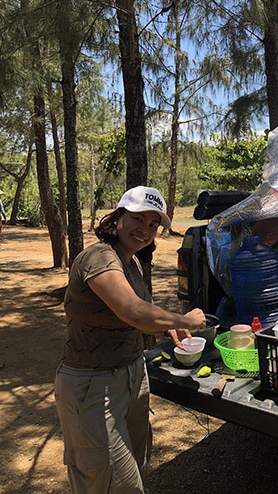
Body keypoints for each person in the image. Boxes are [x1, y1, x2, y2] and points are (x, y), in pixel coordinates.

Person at [54, 185, 206, 494]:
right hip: (94, 387)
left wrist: (167, 329)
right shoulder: (99, 257)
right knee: (110, 482)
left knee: (134, 469)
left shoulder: (131, 262)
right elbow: (133, 311)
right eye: (138, 219)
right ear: (117, 217)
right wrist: (186, 319)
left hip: (132, 376)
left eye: (153, 224)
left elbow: (140, 313)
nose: (146, 230)